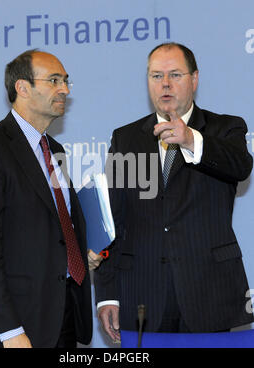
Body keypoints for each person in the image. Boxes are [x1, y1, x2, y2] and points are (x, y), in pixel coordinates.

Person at [94, 42, 254, 342]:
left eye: (175, 75)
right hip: (141, 294)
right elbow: (112, 221)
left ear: (194, 79)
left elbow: (241, 166)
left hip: (209, 293)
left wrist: (192, 139)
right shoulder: (126, 138)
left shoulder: (225, 129)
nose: (165, 84)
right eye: (156, 76)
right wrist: (107, 294)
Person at [0, 50, 93, 348]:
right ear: (22, 88)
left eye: (66, 81)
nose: (65, 89)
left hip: (61, 314)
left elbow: (53, 230)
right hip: (16, 324)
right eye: (54, 80)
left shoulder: (54, 150)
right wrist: (9, 330)